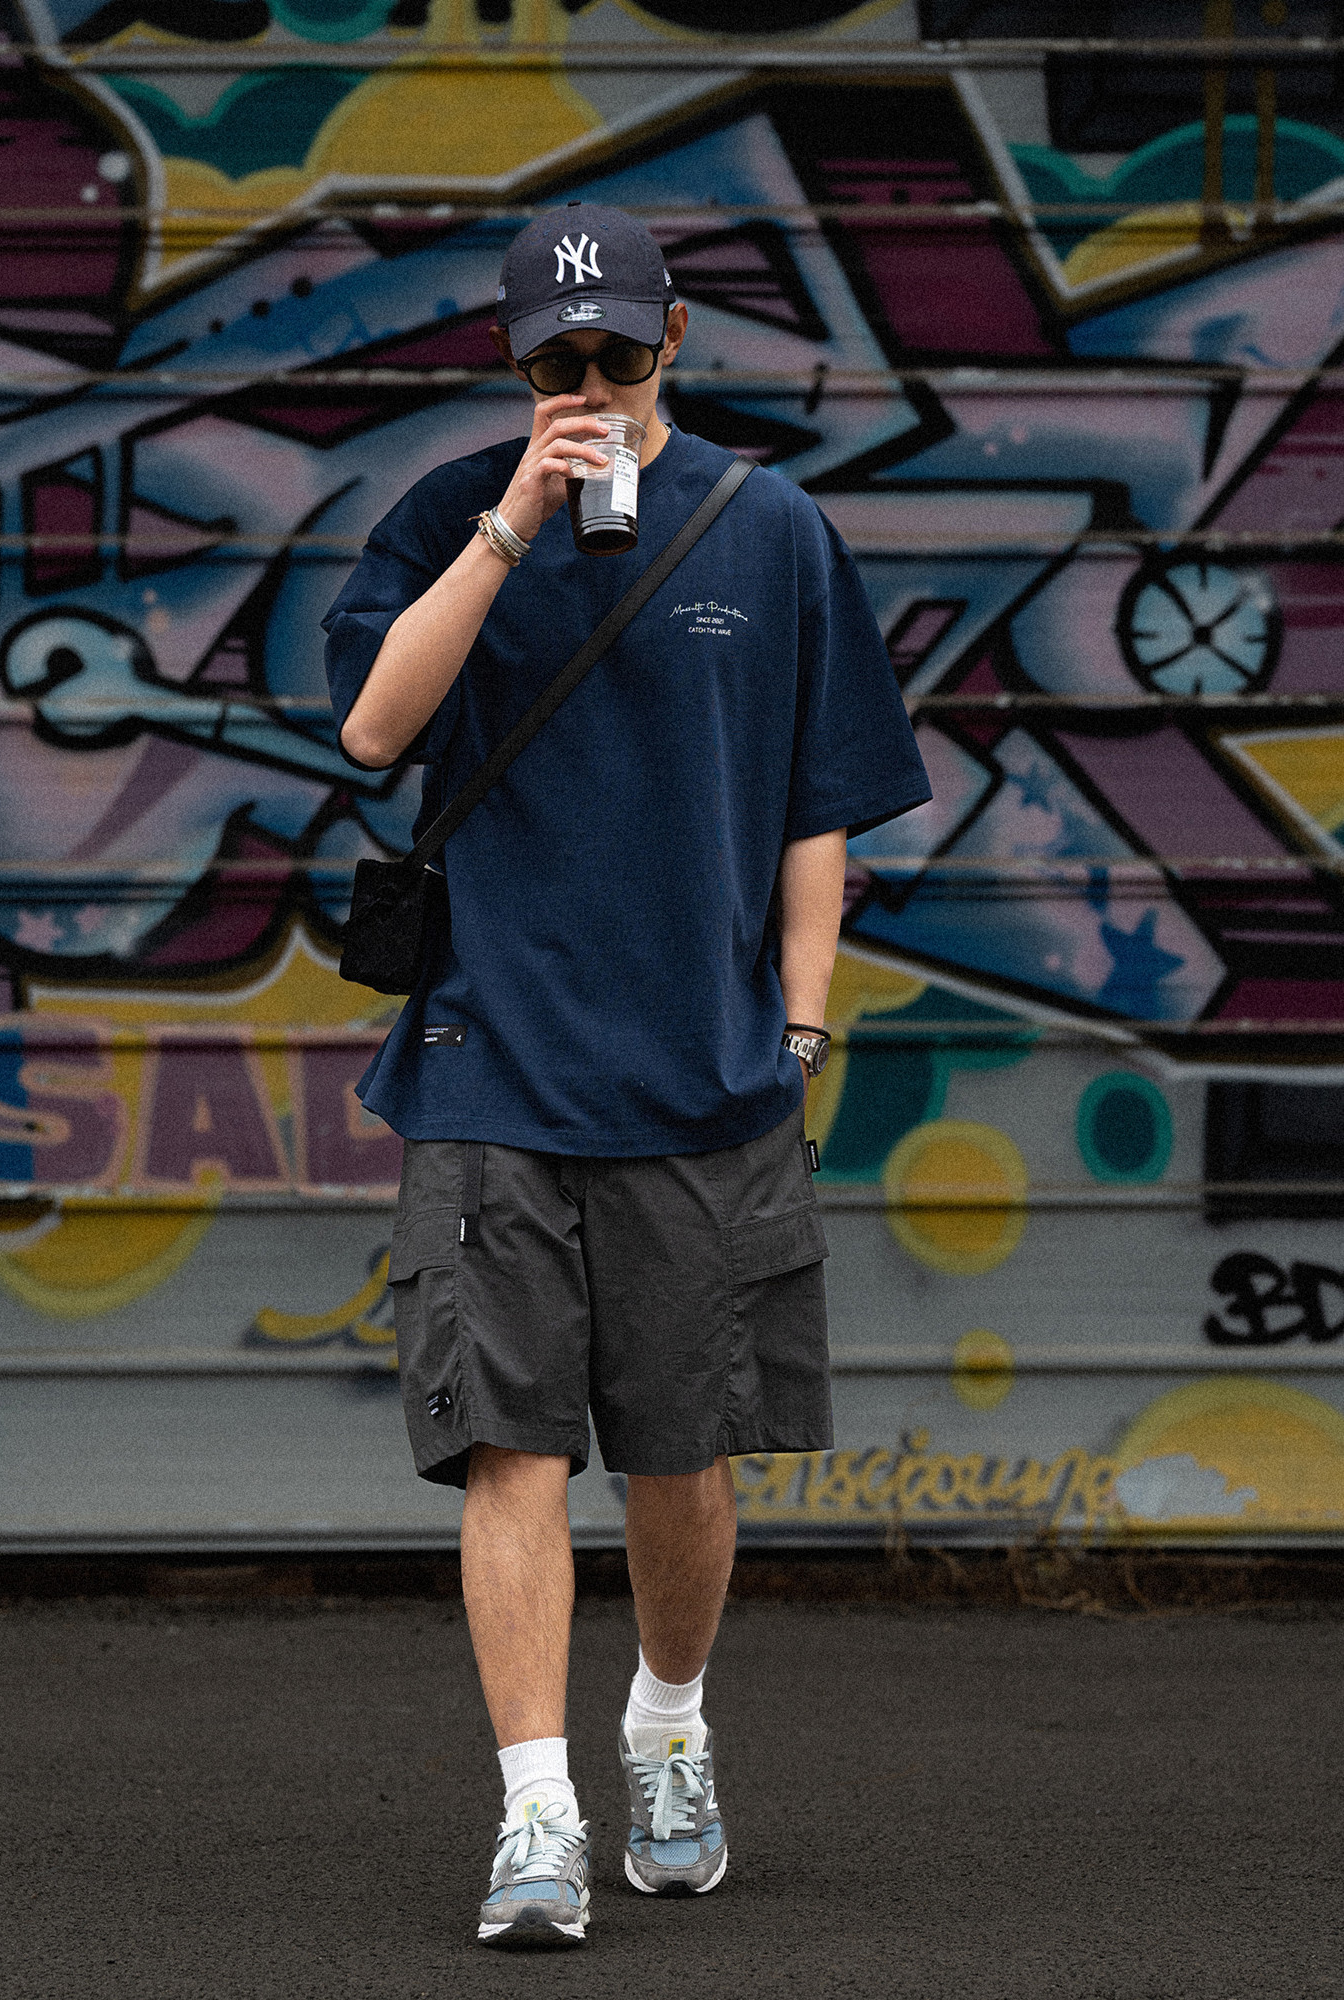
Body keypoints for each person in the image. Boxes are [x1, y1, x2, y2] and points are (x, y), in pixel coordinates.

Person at [322, 201, 930, 1949]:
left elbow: (820, 802)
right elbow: (373, 728)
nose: (587, 384)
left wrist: (799, 1025)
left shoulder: (773, 528)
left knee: (685, 1452)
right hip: (491, 1059)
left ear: (672, 340)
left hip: (704, 1075)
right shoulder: (447, 513)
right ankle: (537, 1807)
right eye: (553, 360)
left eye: (613, 352)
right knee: (506, 1448)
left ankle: (668, 1727)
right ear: (511, 362)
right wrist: (510, 525)